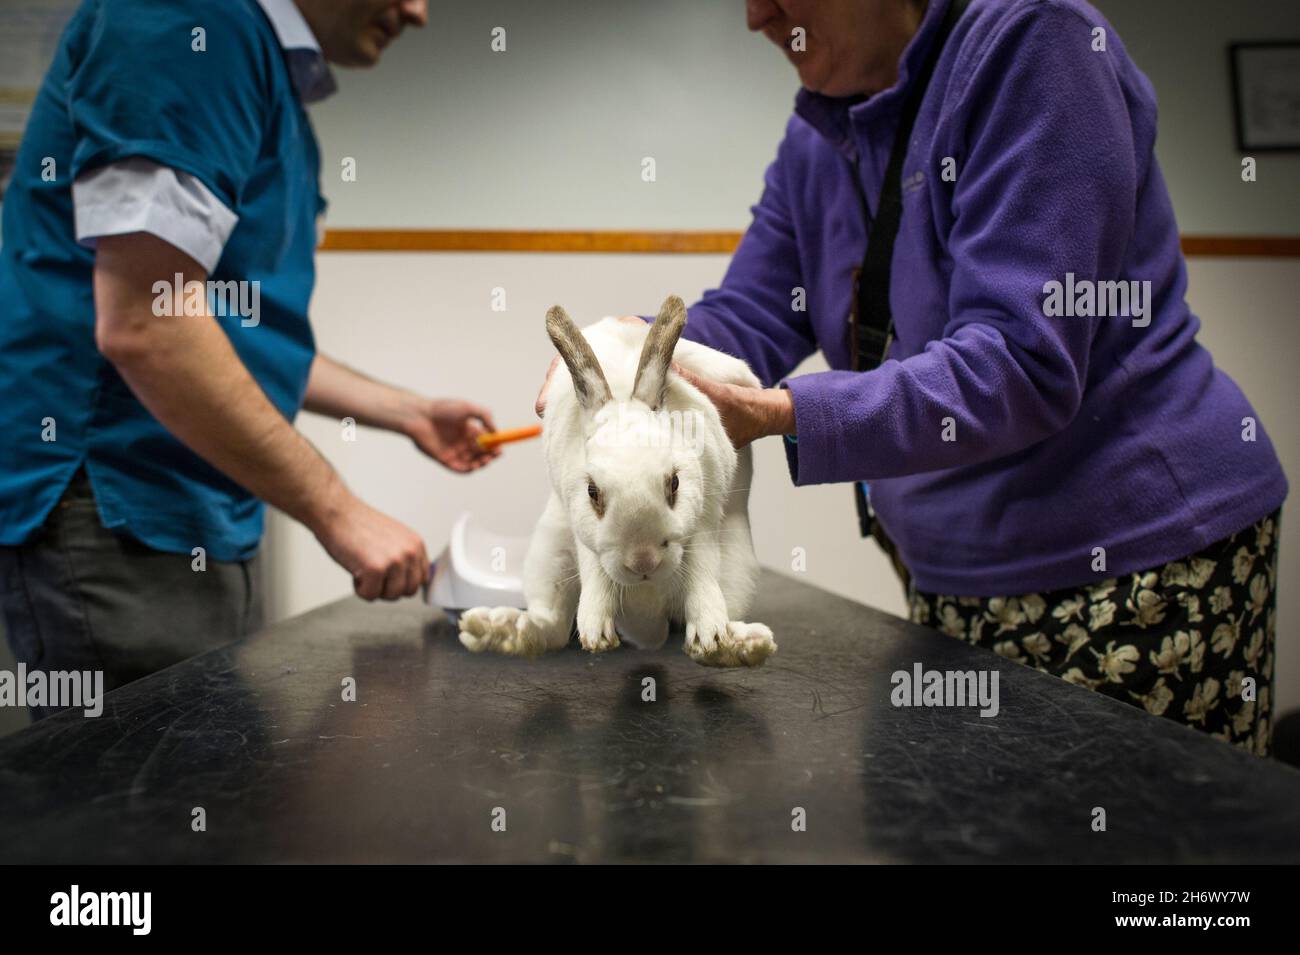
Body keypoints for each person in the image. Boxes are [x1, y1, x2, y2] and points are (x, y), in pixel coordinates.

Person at [540, 0, 1287, 754]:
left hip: (1135, 571)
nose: (757, 17)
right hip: (949, 572)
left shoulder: (1037, 43)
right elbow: (752, 315)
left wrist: (781, 413)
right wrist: (628, 354)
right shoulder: (817, 137)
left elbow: (1020, 361)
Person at [0, 0, 498, 718]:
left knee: (206, 794)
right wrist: (340, 512)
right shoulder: (185, 21)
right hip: (113, 507)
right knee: (140, 813)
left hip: (194, 507)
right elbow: (148, 322)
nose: (420, 12)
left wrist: (407, 412)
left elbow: (229, 331)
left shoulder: (261, 70)